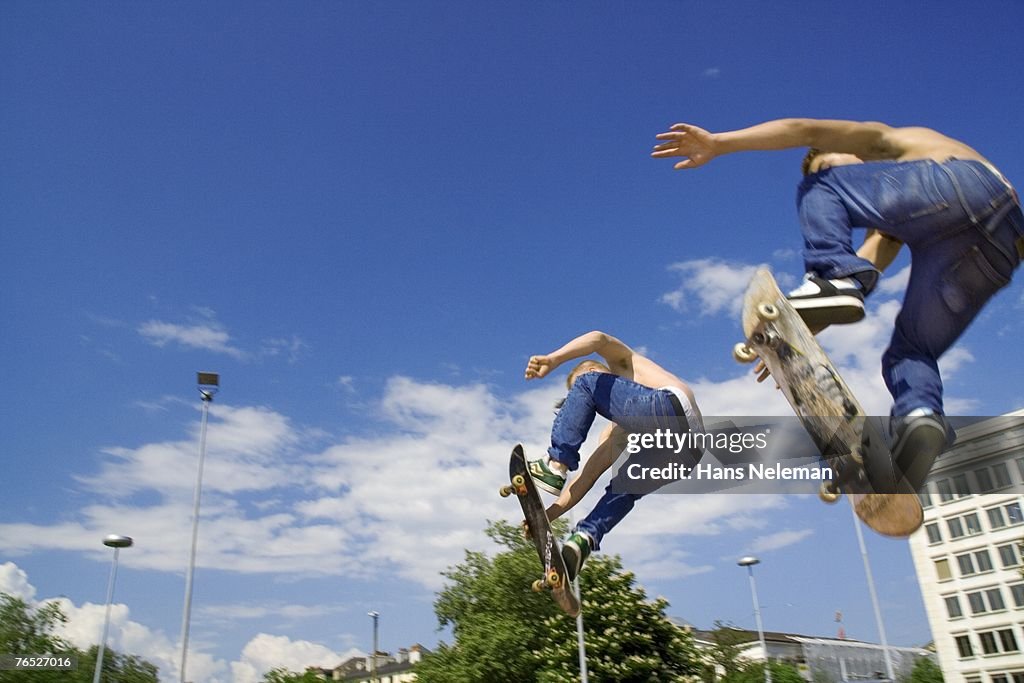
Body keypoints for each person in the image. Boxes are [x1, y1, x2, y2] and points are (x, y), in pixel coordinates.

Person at [651, 118, 1023, 488]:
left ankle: (833, 269)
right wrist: (794, 342)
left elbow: (803, 130)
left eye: (829, 162)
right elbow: (865, 272)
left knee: (817, 189)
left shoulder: (891, 142)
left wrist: (719, 141)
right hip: (1002, 246)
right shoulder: (896, 219)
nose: (829, 170)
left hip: (963, 184)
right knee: (911, 351)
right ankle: (920, 419)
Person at [524, 330, 704, 579]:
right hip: (689, 452)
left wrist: (554, 359)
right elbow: (586, 477)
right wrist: (548, 516)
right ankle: (584, 537)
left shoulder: (623, 363)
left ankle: (557, 463)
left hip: (670, 407)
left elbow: (598, 338)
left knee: (586, 385)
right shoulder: (618, 430)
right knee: (624, 487)